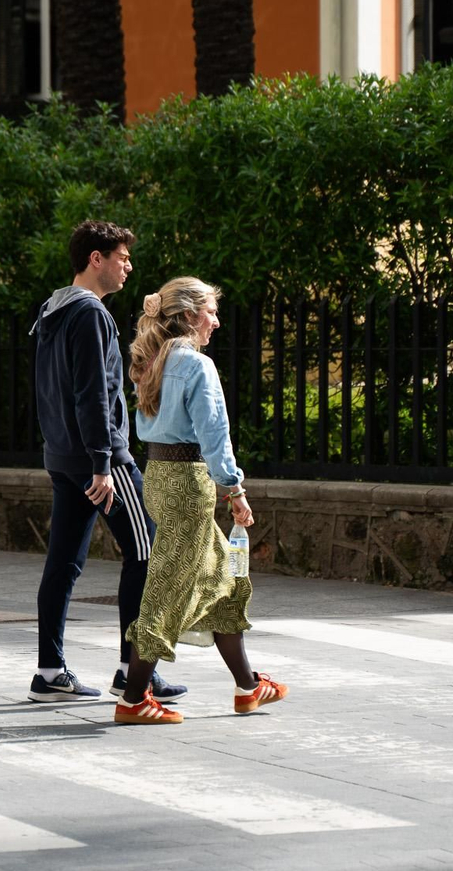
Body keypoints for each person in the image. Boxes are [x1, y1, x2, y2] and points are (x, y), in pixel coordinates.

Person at [114, 277, 287, 725]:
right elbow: (215, 437)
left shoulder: (152, 359)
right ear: (189, 315)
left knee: (224, 585)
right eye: (210, 311)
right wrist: (235, 490)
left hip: (158, 476)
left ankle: (248, 687)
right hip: (189, 484)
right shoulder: (196, 366)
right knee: (167, 590)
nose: (215, 320)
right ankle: (133, 699)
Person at [28, 221, 187, 705]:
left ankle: (50, 671)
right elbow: (92, 395)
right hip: (100, 460)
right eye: (121, 256)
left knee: (63, 564)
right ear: (96, 258)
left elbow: (53, 393)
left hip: (63, 456)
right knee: (149, 551)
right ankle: (131, 670)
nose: (128, 265)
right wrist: (103, 462)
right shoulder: (91, 314)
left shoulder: (52, 310)